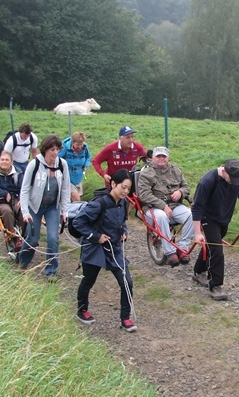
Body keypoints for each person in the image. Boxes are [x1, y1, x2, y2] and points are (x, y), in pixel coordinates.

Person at [73, 169, 137, 332]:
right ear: (113, 184)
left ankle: (125, 318)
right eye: (123, 187)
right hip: (95, 248)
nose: (125, 191)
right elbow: (79, 222)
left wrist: (124, 232)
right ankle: (82, 310)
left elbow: (122, 221)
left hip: (114, 249)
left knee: (127, 282)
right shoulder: (98, 204)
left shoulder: (123, 202)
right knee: (88, 280)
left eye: (128, 188)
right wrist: (96, 236)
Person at [191, 159, 239, 301]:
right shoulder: (208, 181)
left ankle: (198, 271)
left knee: (212, 246)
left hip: (224, 217)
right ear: (224, 171)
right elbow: (197, 207)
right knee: (217, 250)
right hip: (208, 217)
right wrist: (198, 233)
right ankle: (215, 286)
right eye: (232, 179)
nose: (234, 182)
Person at [18, 134, 70, 279]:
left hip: (52, 207)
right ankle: (23, 262)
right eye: (52, 149)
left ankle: (51, 271)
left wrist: (65, 210)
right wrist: (25, 212)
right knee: (33, 238)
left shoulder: (62, 164)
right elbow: (25, 189)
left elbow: (66, 189)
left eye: (57, 149)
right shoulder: (34, 165)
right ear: (45, 150)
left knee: (53, 238)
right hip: (34, 206)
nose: (55, 153)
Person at [136, 146, 194, 267]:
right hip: (153, 208)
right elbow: (144, 194)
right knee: (162, 216)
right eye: (158, 156)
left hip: (175, 205)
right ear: (153, 158)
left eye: (164, 156)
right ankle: (170, 252)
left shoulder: (176, 171)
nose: (161, 159)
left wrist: (180, 192)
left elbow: (186, 187)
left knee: (192, 215)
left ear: (168, 158)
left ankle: (182, 247)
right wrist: (163, 206)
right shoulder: (146, 173)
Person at [0, 150, 24, 250]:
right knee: (7, 211)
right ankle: (13, 237)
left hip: (15, 198)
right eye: (2, 159)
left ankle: (25, 236)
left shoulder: (18, 173)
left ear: (11, 162)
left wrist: (21, 198)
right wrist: (4, 193)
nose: (4, 162)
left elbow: (23, 188)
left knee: (23, 210)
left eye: (7, 160)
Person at [59, 131, 91, 201]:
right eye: (77, 144)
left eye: (81, 144)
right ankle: (79, 211)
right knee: (76, 197)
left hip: (78, 176)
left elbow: (88, 157)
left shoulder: (85, 147)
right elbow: (57, 159)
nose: (79, 146)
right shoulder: (65, 148)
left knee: (75, 197)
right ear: (72, 142)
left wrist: (86, 165)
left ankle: (66, 210)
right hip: (67, 177)